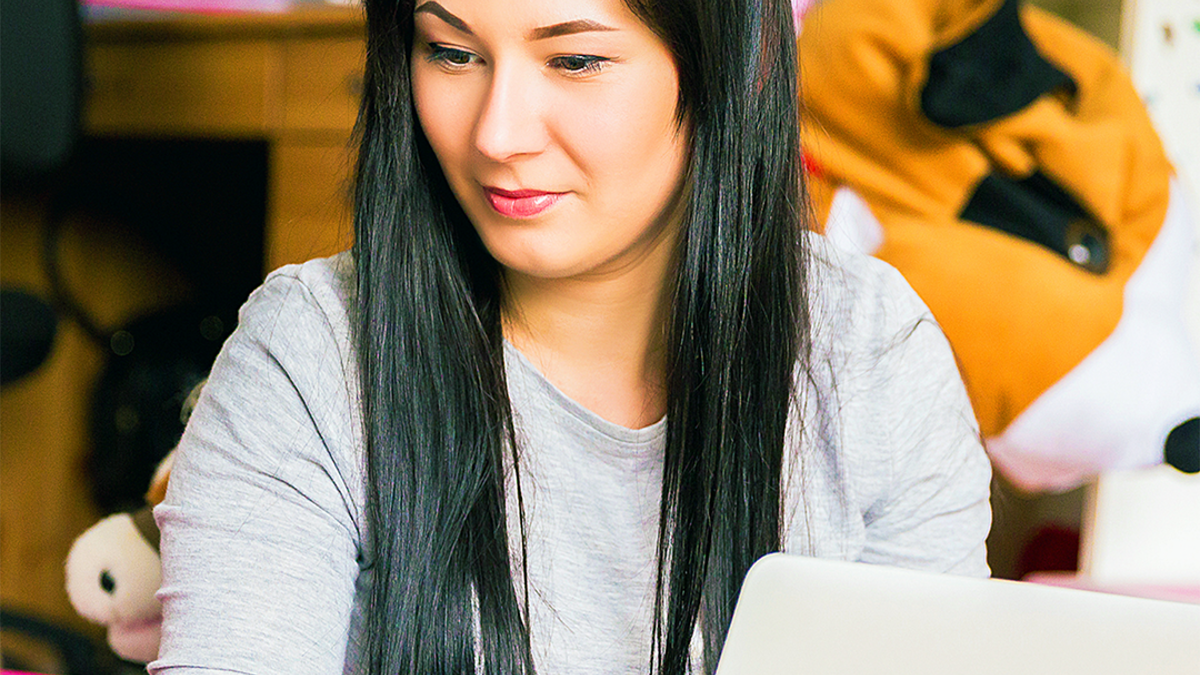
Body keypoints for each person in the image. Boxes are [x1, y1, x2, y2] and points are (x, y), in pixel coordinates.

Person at [148, 0, 991, 673]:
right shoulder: (313, 353)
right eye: (450, 51)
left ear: (739, 64)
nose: (496, 134)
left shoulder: (870, 351)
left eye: (575, 60)